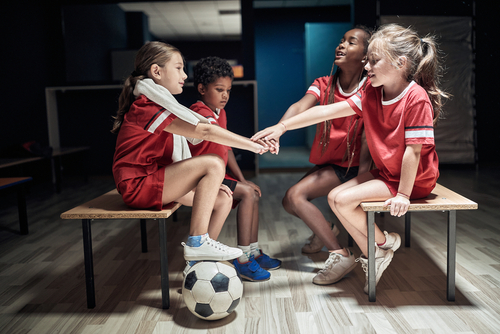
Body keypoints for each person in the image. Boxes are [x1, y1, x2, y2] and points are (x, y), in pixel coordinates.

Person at [252, 23, 448, 293]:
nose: (368, 68)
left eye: (374, 61)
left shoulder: (415, 98)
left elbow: (412, 152)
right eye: (368, 61)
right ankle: (382, 244)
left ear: (400, 63)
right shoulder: (371, 92)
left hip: (411, 179)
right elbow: (325, 112)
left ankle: (377, 249)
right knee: (334, 198)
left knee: (342, 200)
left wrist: (402, 194)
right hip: (386, 173)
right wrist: (282, 127)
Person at [111, 41, 272, 264]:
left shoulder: (160, 105)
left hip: (154, 179)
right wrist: (254, 144)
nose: (184, 75)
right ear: (156, 71)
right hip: (138, 185)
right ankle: (197, 242)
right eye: (178, 68)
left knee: (223, 198)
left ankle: (199, 266)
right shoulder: (145, 106)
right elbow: (205, 131)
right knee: (213, 163)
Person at [278, 26, 376, 285]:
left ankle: (339, 253)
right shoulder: (324, 83)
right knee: (288, 202)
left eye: (350, 42)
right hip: (333, 162)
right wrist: (277, 131)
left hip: (355, 166)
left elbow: (369, 140)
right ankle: (326, 230)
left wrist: (364, 178)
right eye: (341, 40)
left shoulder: (370, 89)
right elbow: (300, 106)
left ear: (365, 56)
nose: (341, 45)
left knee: (296, 195)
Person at [188, 56, 281, 281]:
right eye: (219, 89)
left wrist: (243, 179)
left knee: (252, 191)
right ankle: (242, 261)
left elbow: (227, 149)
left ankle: (253, 252)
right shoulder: (198, 111)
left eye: (228, 90)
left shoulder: (221, 113)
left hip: (220, 175)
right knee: (248, 194)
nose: (225, 95)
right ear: (201, 88)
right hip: (201, 180)